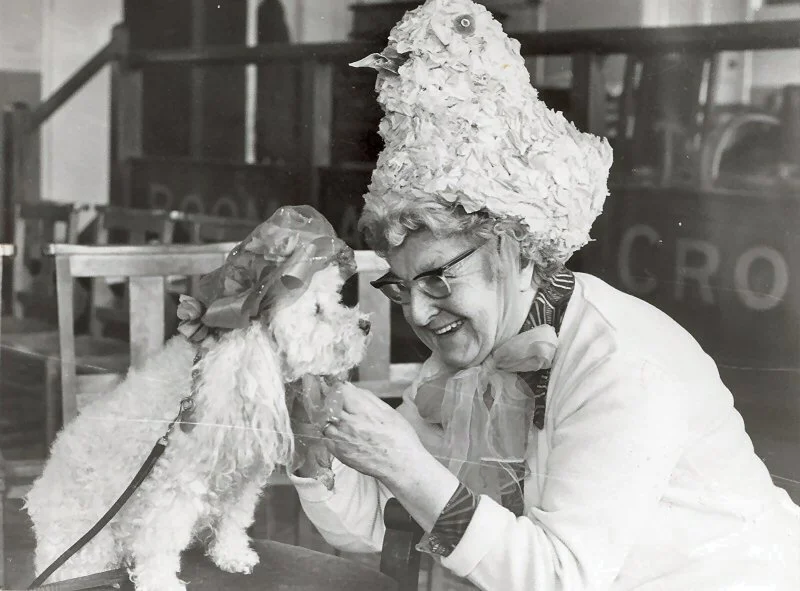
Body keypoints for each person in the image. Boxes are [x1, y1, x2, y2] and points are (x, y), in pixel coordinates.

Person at [289, 1, 800, 589]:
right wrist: (313, 441)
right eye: (400, 286)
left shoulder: (619, 365)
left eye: (438, 278)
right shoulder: (477, 348)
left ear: (519, 252)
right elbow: (385, 523)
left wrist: (405, 464)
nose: (419, 313)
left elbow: (558, 578)